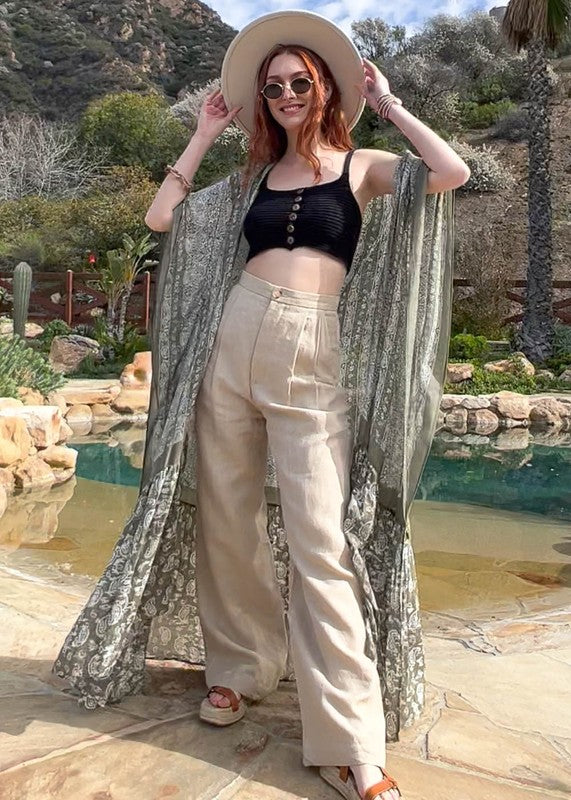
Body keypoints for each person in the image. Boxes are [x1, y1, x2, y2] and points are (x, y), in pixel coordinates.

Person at [51, 10, 466, 800]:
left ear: (324, 90)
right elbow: (161, 219)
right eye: (271, 86)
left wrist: (390, 104)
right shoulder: (250, 181)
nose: (284, 93)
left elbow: (449, 174)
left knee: (320, 539)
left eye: (298, 82)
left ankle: (350, 745)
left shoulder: (362, 165)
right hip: (231, 339)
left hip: (313, 350)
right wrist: (205, 132)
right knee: (227, 513)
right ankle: (240, 669)